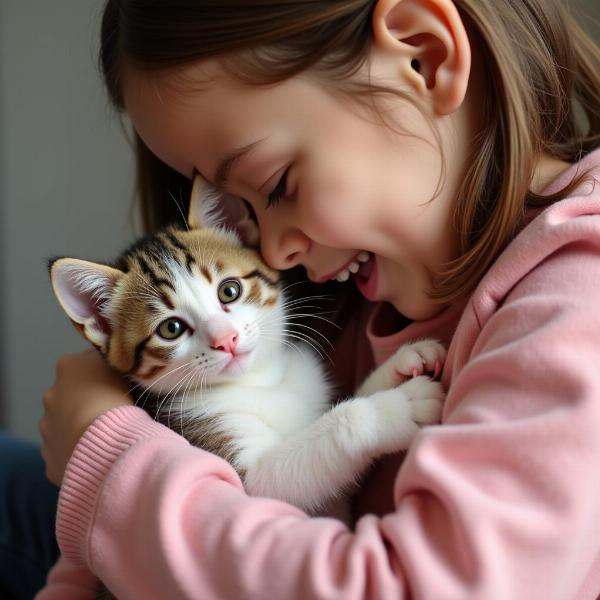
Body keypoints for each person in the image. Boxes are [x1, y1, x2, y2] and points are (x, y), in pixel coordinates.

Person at [32, 0, 600, 598]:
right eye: (241, 211)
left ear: (424, 57)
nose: (270, 256)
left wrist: (104, 464)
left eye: (277, 186)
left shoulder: (575, 300)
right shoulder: (345, 296)